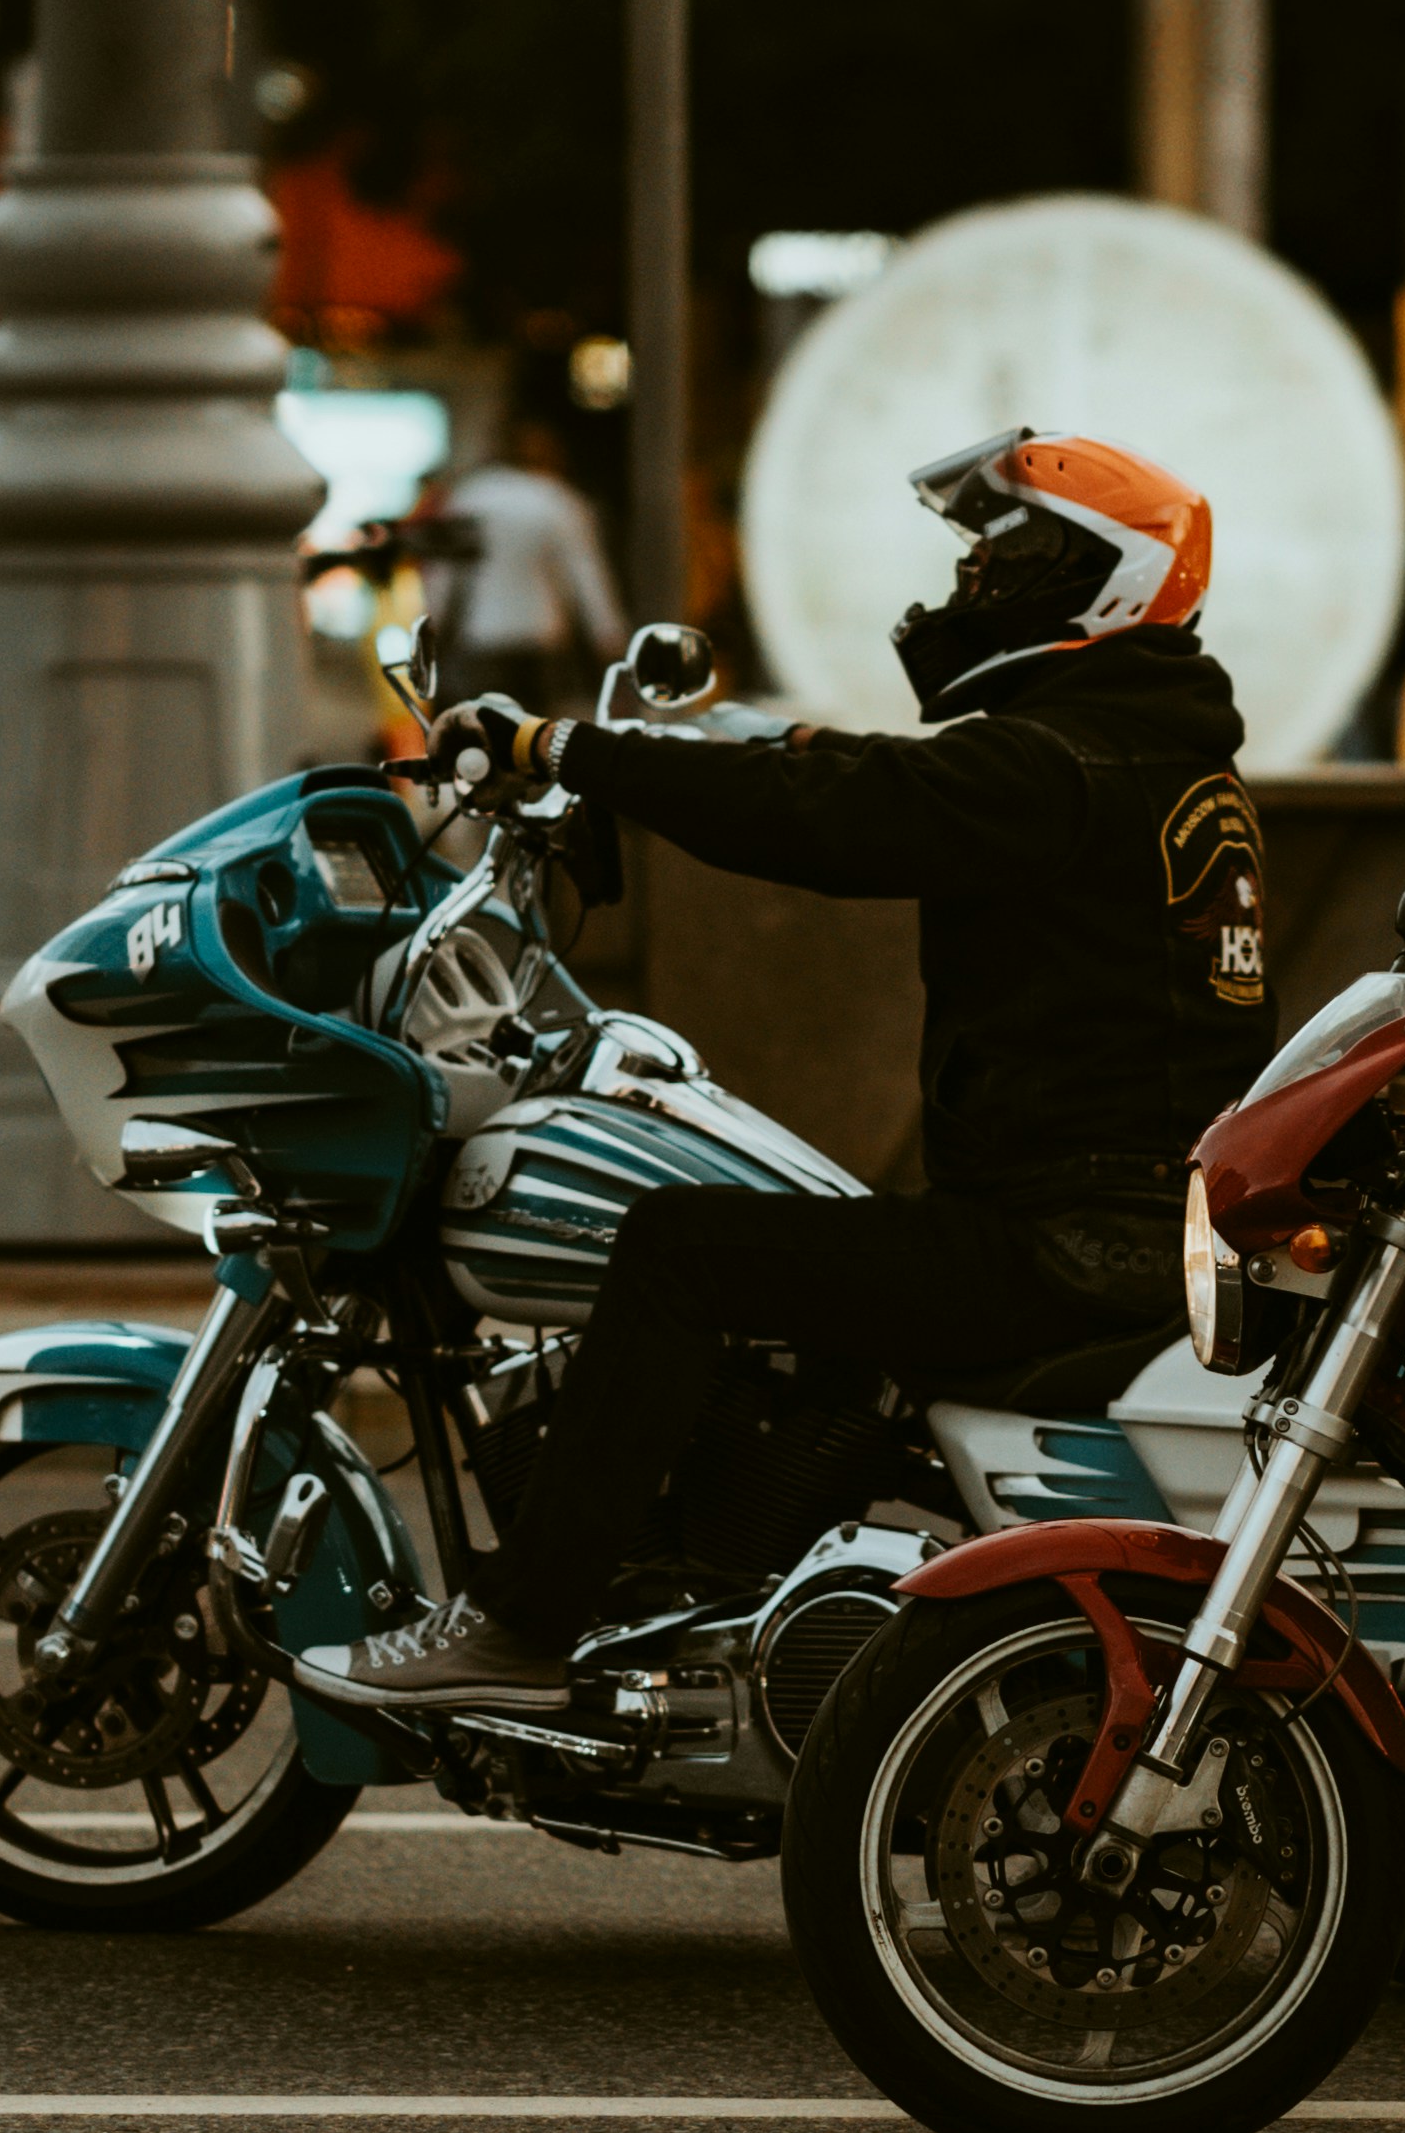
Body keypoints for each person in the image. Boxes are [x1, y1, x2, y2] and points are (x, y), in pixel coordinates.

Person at [325, 427, 1272, 1708]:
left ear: (1098, 583)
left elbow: (838, 818)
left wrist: (563, 752)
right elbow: (884, 780)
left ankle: (523, 1626)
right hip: (1134, 1224)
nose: (975, 585)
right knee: (797, 1264)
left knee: (679, 1245)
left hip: (1057, 1240)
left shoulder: (1052, 764)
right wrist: (758, 733)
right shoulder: (1150, 756)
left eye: (1011, 557)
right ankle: (704, 1591)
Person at [423, 412, 625, 719]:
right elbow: (586, 573)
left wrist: (430, 623)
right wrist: (608, 634)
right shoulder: (558, 500)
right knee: (538, 736)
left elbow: (444, 572)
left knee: (481, 733)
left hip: (482, 636)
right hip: (542, 636)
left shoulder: (472, 496)